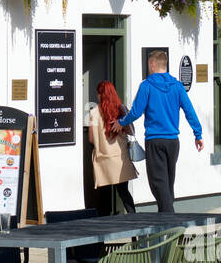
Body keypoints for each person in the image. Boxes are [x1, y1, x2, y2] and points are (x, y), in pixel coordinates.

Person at [113, 50, 203, 213]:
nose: (149, 67)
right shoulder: (177, 86)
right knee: (167, 185)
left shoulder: (146, 86)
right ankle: (167, 223)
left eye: (149, 64)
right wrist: (198, 134)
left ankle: (170, 224)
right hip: (173, 142)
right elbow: (190, 111)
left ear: (153, 64)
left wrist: (121, 122)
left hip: (155, 141)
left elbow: (135, 112)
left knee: (158, 184)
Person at [87, 81, 138, 214]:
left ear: (101, 95)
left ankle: (104, 230)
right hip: (120, 159)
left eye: (98, 93)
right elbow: (132, 131)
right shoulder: (121, 110)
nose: (97, 96)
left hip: (103, 160)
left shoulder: (93, 113)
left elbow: (91, 139)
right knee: (124, 193)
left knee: (103, 196)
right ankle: (136, 225)